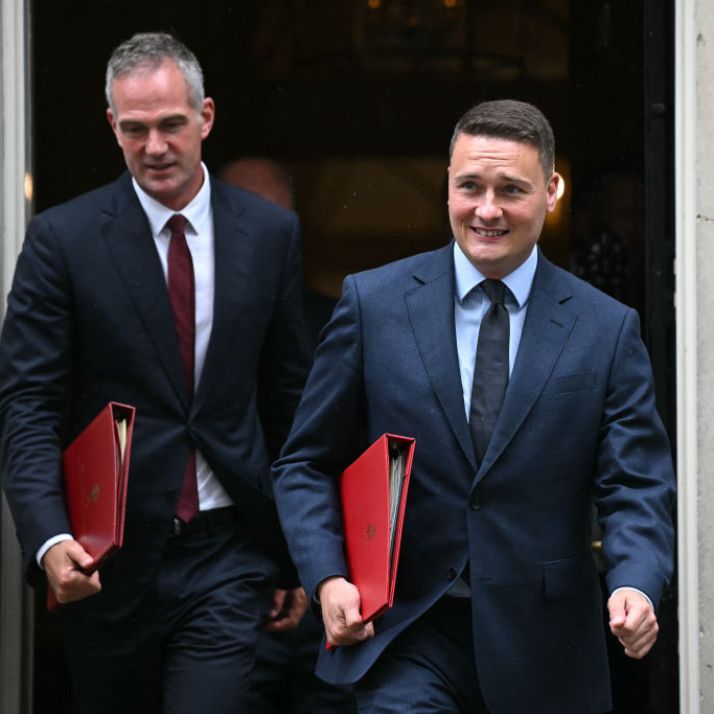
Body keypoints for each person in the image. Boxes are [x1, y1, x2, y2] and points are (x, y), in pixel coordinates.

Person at [272, 99, 675, 713]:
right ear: (448, 186)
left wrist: (636, 584)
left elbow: (635, 483)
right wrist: (329, 578)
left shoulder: (606, 328)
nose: (487, 210)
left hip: (546, 647)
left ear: (551, 191)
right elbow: (306, 463)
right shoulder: (373, 304)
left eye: (511, 189)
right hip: (407, 633)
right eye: (470, 187)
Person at [0, 32, 310, 714]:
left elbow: (288, 400)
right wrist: (49, 538)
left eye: (171, 124)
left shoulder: (268, 235)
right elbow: (28, 404)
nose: (155, 146)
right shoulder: (63, 240)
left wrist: (298, 552)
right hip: (106, 557)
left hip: (227, 552)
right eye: (135, 129)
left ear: (205, 117)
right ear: (112, 126)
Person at [219, 156, 354, 714]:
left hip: (328, 575)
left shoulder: (340, 320)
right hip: (224, 577)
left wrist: (317, 568)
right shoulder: (187, 323)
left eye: (273, 222)